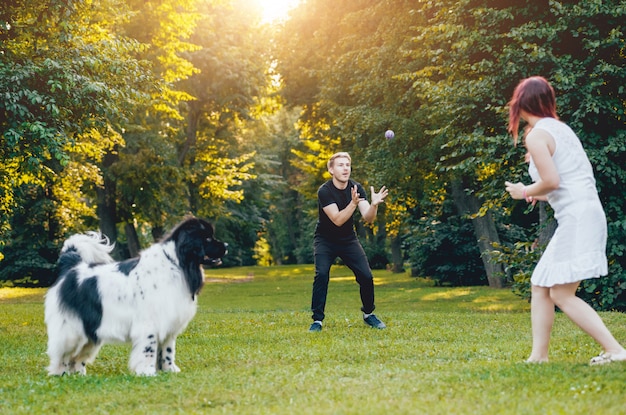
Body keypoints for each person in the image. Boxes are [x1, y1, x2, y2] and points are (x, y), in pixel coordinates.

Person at [504, 76, 626, 364]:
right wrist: (538, 194)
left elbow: (551, 180)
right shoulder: (560, 129)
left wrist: (524, 191)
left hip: (578, 218)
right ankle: (539, 356)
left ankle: (616, 350)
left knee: (560, 292)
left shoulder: (536, 135)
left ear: (521, 103)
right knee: (541, 284)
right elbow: (562, 185)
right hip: (582, 213)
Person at [309, 152, 389, 332]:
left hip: (348, 240)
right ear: (331, 170)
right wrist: (353, 203)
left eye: (347, 165)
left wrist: (374, 204)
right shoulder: (325, 191)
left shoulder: (356, 187)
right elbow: (337, 219)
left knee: (366, 276)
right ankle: (317, 320)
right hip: (325, 240)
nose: (345, 168)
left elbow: (368, 218)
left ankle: (369, 314)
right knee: (321, 274)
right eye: (340, 165)